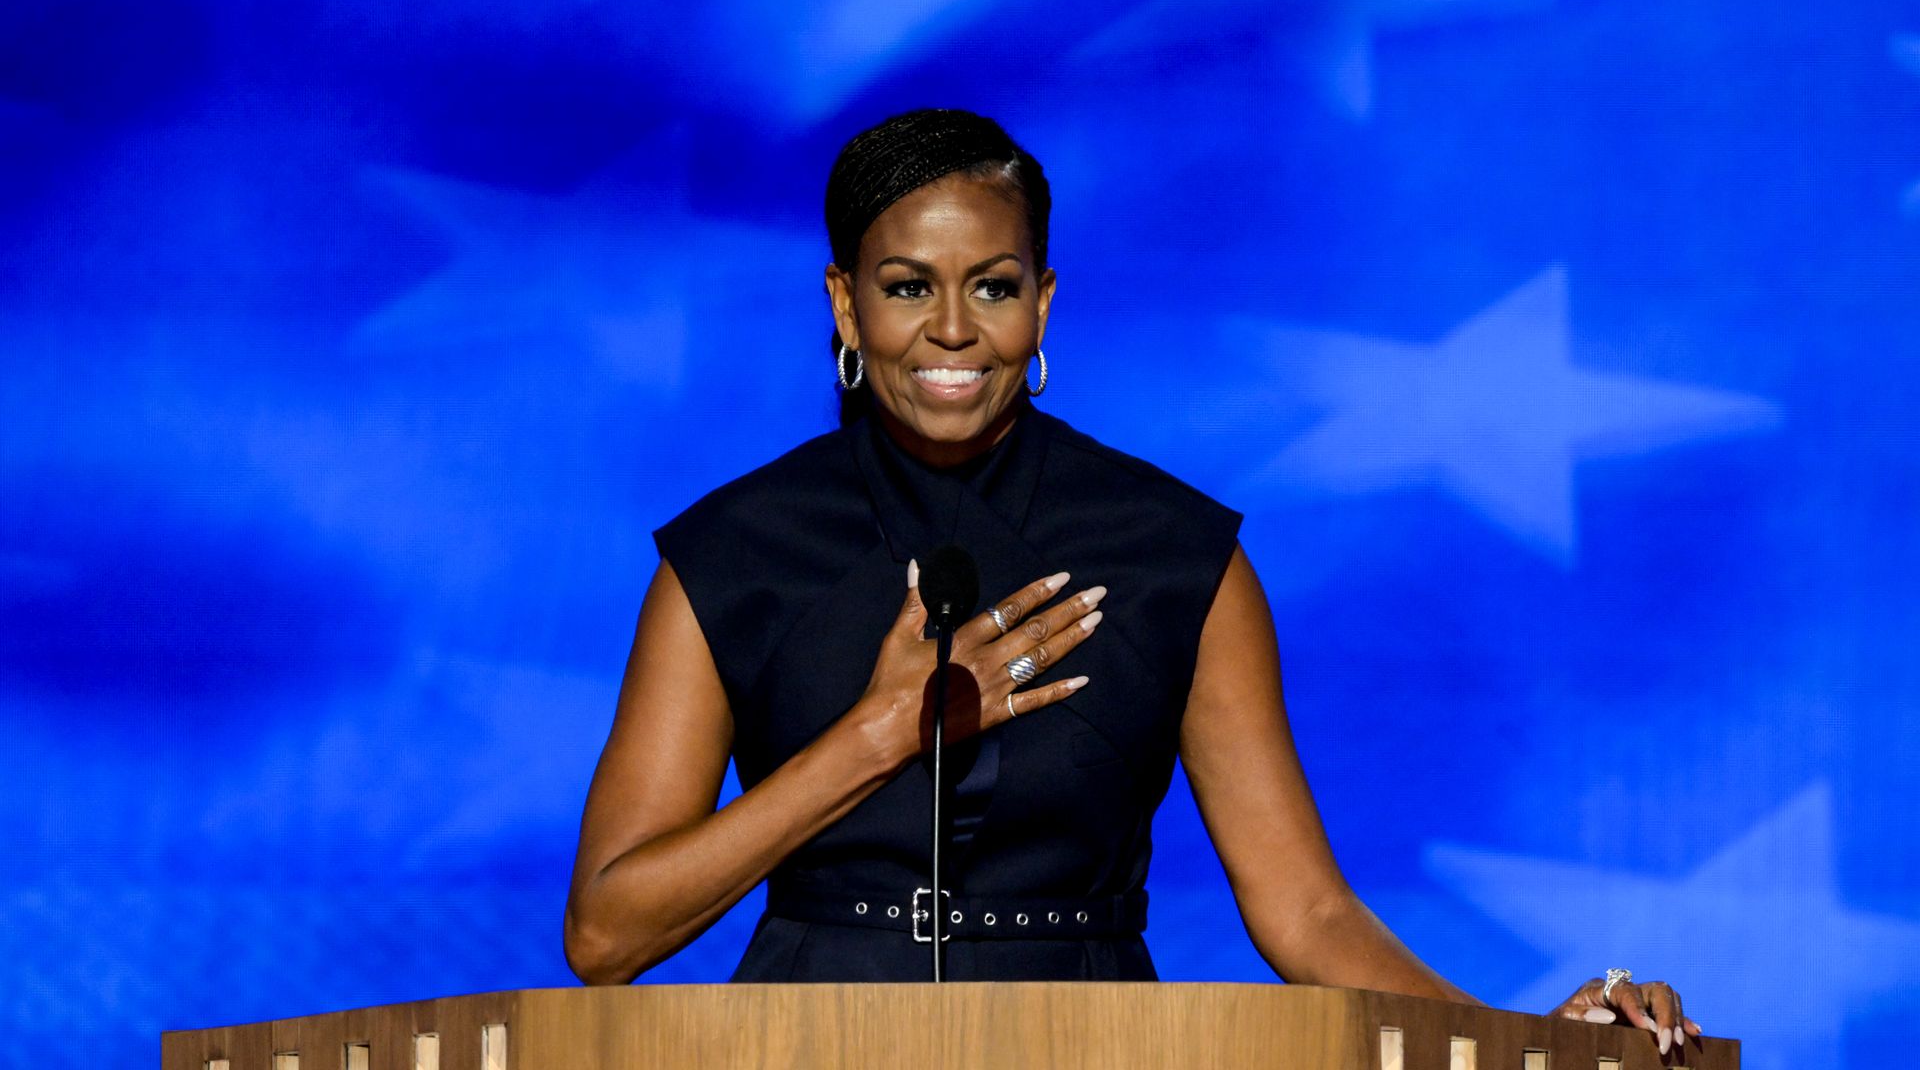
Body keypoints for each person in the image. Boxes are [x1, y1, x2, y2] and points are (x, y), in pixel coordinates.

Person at [563, 108, 1701, 1056]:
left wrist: (1529, 1048)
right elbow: (605, 936)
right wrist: (880, 736)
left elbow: (1308, 914)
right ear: (844, 305)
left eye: (994, 288)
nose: (953, 330)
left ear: (1045, 304)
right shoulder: (732, 551)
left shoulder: (1172, 552)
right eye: (908, 288)